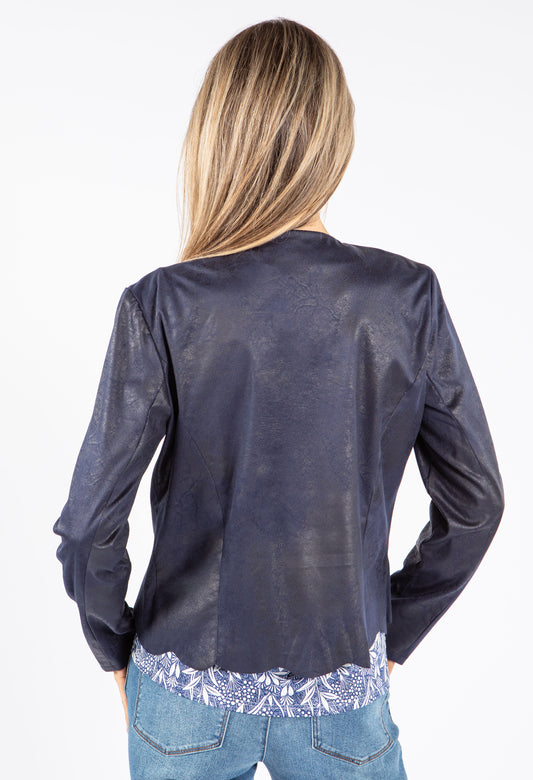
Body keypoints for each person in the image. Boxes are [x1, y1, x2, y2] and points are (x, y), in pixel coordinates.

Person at [53, 16, 505, 780]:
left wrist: (113, 647)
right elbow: (476, 504)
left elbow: (90, 523)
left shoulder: (163, 303)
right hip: (341, 685)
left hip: (182, 686)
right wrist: (392, 635)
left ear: (216, 137)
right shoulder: (405, 300)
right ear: (334, 139)